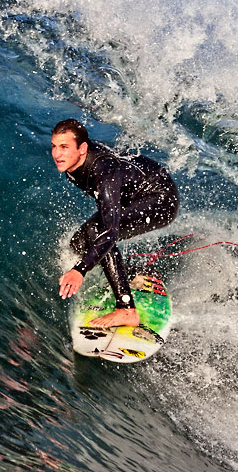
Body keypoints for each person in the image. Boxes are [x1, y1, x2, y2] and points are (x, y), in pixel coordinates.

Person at [51, 119, 179, 328]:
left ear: (82, 148)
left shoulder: (103, 170)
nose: (57, 154)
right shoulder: (73, 164)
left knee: (99, 231)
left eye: (64, 147)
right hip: (135, 195)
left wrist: (80, 270)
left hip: (161, 199)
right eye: (54, 146)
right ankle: (128, 273)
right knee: (79, 244)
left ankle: (126, 309)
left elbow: (110, 230)